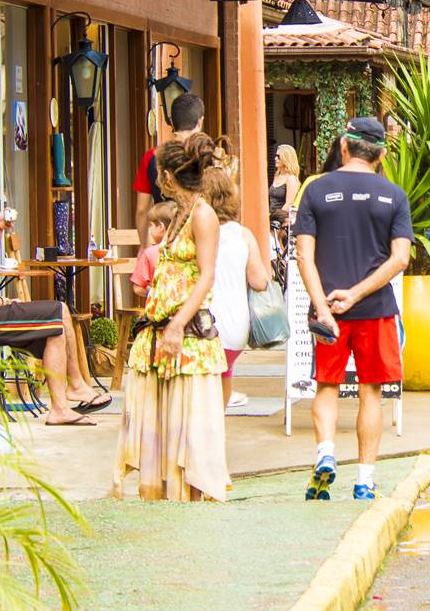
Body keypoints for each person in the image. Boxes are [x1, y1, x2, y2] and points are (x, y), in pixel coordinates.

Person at [296, 117, 412, 500]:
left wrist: (323, 306)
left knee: (326, 386)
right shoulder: (393, 196)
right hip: (375, 310)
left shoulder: (315, 191)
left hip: (327, 310)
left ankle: (326, 453)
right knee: (370, 392)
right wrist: (358, 294)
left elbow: (303, 256)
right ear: (380, 154)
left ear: (343, 147)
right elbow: (400, 259)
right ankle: (364, 480)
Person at [0, 178, 107, 426]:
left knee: (56, 321)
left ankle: (66, 399)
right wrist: (4, 300)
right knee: (58, 311)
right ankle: (72, 390)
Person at [114, 133, 228, 501]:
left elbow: (207, 273)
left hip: (187, 333)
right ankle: (165, 492)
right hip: (161, 330)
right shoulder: (178, 213)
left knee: (189, 424)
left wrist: (178, 324)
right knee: (163, 421)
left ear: (166, 177)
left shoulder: (203, 214)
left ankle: (191, 494)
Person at [203, 161, 269, 409]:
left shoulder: (194, 233)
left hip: (202, 328)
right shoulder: (243, 235)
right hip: (235, 329)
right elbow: (260, 282)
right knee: (225, 372)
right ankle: (216, 429)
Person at [134, 93, 204, 247]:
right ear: (200, 121)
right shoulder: (206, 155)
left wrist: (145, 249)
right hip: (199, 238)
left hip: (165, 240)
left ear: (172, 122)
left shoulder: (152, 157)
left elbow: (141, 210)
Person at [131, 201, 177, 300]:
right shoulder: (186, 250)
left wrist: (155, 294)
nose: (149, 230)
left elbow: (138, 288)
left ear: (160, 227)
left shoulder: (150, 253)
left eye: (150, 226)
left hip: (158, 310)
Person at [269, 144, 301, 222]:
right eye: (276, 156)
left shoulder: (291, 178)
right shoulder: (277, 175)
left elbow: (289, 204)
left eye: (279, 157)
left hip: (282, 220)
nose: (275, 158)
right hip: (271, 217)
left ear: (287, 158)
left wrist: (274, 218)